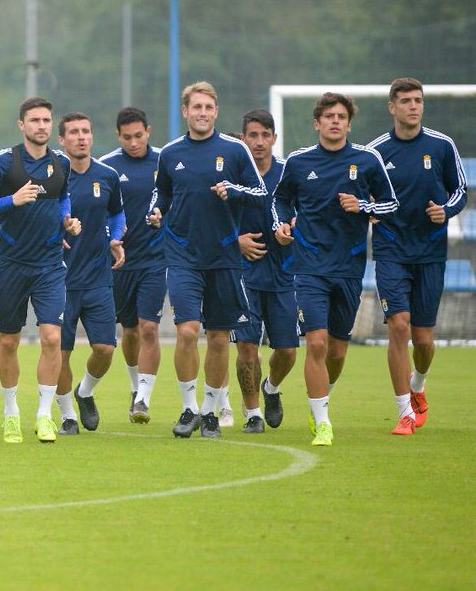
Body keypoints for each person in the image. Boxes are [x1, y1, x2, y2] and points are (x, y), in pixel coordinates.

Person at [273, 92, 398, 446]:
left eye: (341, 116)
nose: (335, 121)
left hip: (349, 266)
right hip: (309, 266)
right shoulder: (298, 162)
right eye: (328, 116)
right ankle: (323, 421)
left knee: (337, 351)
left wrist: (361, 204)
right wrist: (281, 225)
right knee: (315, 343)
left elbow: (391, 204)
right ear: (317, 123)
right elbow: (279, 200)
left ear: (348, 122)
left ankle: (320, 398)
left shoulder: (367, 159)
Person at [147, 81, 267, 439]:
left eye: (208, 108)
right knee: (187, 331)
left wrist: (233, 190)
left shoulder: (234, 151)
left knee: (218, 337)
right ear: (185, 111)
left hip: (225, 256)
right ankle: (188, 408)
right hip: (182, 254)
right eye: (195, 107)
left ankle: (211, 411)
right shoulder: (169, 153)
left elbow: (260, 193)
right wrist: (154, 212)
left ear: (216, 112)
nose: (202, 113)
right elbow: (162, 194)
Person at [0, 97, 78, 444]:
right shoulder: (4, 161)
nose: (42, 126)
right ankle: (10, 413)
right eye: (34, 120)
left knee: (52, 338)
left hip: (49, 266)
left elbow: (63, 197)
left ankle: (45, 415)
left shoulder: (61, 162)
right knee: (8, 341)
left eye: (47, 120)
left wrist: (67, 220)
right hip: (12, 265)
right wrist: (11, 201)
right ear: (21, 125)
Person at [369, 78, 466, 435]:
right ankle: (404, 412)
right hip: (391, 250)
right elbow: (362, 193)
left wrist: (446, 210)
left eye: (418, 100)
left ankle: (418, 385)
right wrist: (368, 209)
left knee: (423, 341)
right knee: (398, 325)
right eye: (406, 100)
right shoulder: (376, 152)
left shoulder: (442, 146)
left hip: (430, 253)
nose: (414, 106)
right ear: (392, 107)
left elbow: (459, 191)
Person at [55, 113, 125, 434]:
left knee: (105, 349)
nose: (81, 137)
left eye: (86, 131)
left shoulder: (107, 175)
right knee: (60, 352)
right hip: (59, 280)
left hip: (98, 278)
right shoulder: (53, 177)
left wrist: (115, 238)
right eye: (74, 132)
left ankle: (85, 392)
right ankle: (68, 414)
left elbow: (118, 213)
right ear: (62, 140)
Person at [233, 109, 298, 434]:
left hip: (284, 276)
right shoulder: (233, 172)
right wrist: (236, 241)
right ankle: (252, 412)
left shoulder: (289, 173)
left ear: (274, 137)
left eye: (265, 135)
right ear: (243, 138)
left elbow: (304, 212)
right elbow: (210, 218)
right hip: (243, 276)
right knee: (247, 348)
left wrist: (294, 227)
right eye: (253, 135)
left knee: (286, 350)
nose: (259, 142)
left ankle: (271, 388)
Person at [100, 107, 165, 424]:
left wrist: (164, 217)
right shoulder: (108, 167)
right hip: (121, 261)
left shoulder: (165, 162)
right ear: (118, 136)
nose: (134, 142)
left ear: (148, 131)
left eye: (139, 136)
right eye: (127, 137)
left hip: (156, 259)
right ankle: (134, 386)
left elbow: (177, 200)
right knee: (130, 331)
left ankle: (143, 399)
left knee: (149, 328)